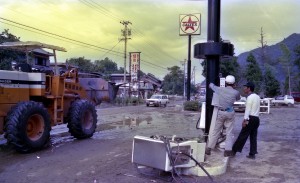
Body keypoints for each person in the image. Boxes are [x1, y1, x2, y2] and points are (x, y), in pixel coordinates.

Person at [205, 75, 240, 157]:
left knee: (216, 131)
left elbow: (211, 85)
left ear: (225, 82)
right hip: (230, 113)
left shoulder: (219, 89)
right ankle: (227, 151)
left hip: (221, 112)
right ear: (234, 83)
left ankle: (209, 148)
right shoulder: (236, 92)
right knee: (229, 132)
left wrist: (211, 83)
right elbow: (237, 98)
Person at [232, 82, 261, 159]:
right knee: (253, 137)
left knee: (243, 135)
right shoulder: (257, 97)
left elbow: (247, 110)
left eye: (246, 87)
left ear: (249, 88)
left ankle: (234, 151)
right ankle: (252, 154)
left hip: (250, 118)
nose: (244, 89)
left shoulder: (250, 97)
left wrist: (245, 120)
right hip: (256, 119)